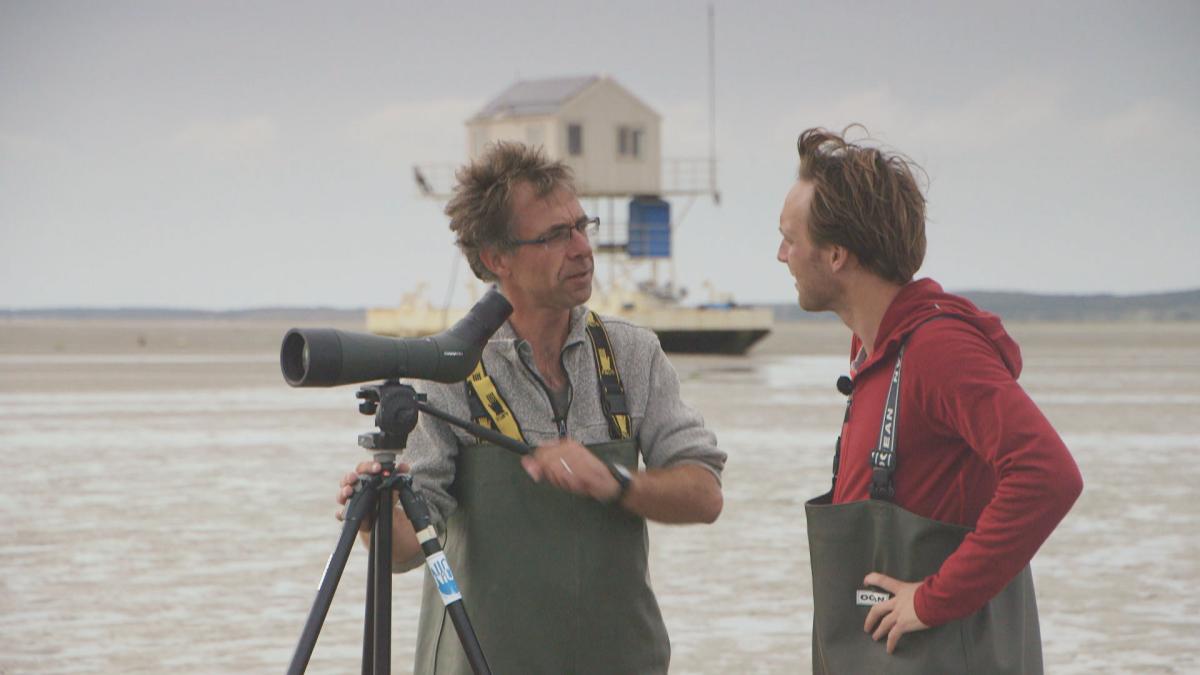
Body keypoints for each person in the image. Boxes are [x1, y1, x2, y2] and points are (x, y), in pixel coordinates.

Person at [336, 142, 725, 674]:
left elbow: (705, 496)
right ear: (498, 259)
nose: (583, 248)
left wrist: (617, 483)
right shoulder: (450, 371)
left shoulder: (634, 354)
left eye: (582, 226)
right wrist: (374, 519)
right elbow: (406, 551)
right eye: (555, 236)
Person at [777, 127, 1083, 673]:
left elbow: (1048, 474)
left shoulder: (938, 348)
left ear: (837, 255)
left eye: (790, 238)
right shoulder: (874, 353)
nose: (781, 255)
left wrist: (932, 599)